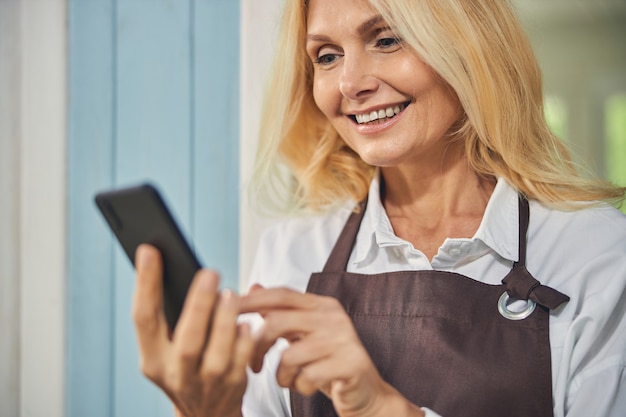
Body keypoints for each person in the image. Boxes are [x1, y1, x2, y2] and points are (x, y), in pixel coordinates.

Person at [132, 0, 626, 416]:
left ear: (469, 47)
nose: (350, 83)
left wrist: (383, 409)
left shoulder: (595, 252)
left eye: (387, 40)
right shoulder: (292, 253)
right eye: (326, 56)